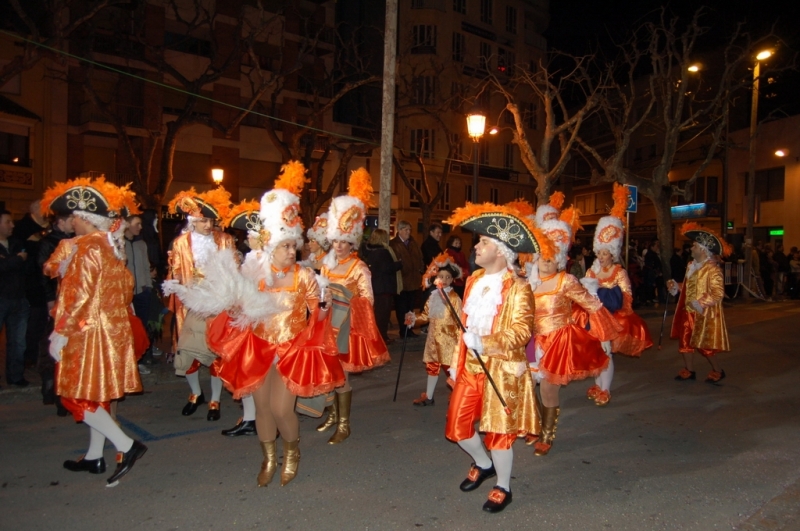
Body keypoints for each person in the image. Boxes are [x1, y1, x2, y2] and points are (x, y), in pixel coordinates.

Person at [207, 162, 345, 486]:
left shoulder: (304, 276)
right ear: (270, 246)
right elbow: (240, 308)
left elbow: (318, 313)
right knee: (263, 409)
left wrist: (324, 307)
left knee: (283, 409)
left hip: (292, 350)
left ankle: (292, 453)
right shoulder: (255, 275)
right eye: (284, 246)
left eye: (292, 245)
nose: (290, 251)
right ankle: (269, 458)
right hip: (258, 349)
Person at [441, 201, 551, 513]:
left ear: (501, 251)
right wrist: (456, 357)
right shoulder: (473, 279)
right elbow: (465, 321)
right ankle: (482, 463)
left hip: (501, 370)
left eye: (485, 242)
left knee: (499, 433)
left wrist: (484, 342)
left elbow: (520, 333)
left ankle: (503, 485)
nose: (477, 246)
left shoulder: (518, 287)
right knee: (456, 427)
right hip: (469, 367)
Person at [41, 177, 147, 486]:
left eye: (73, 216)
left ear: (85, 218)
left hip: (86, 331)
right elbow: (125, 290)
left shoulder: (86, 248)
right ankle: (94, 456)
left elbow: (78, 296)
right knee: (94, 395)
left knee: (73, 396)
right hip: (109, 331)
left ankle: (127, 446)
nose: (70, 222)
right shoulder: (110, 247)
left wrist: (61, 332)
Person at [525, 193, 620, 455]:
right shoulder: (528, 284)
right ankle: (534, 426)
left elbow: (591, 304)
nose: (546, 260)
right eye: (542, 255)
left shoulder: (566, 281)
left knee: (548, 389)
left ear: (559, 259)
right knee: (527, 385)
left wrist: (601, 331)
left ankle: (547, 434)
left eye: (552, 257)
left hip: (558, 342)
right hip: (532, 342)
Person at [317, 168, 391, 445]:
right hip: (325, 325)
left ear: (352, 242)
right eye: (335, 240)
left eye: (343, 241)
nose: (338, 245)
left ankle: (344, 424)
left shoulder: (359, 267)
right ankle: (334, 414)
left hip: (345, 328)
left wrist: (346, 296)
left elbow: (367, 299)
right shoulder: (326, 262)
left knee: (342, 375)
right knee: (329, 373)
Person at [164, 186, 236, 421]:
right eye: (203, 220)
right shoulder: (180, 244)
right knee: (188, 354)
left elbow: (235, 270)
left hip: (218, 305)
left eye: (211, 221)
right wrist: (173, 288)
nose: (208, 225)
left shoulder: (225, 240)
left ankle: (215, 400)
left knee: (216, 353)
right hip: (190, 305)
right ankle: (195, 393)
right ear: (192, 220)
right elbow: (174, 272)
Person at [582, 184, 653, 406]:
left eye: (606, 252)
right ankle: (597, 384)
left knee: (606, 352)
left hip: (610, 319)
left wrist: (601, 293)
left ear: (612, 253)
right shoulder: (591, 270)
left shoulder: (618, 272)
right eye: (600, 252)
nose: (602, 256)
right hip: (592, 319)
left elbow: (626, 296)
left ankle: (606, 388)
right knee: (595, 353)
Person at [669, 222, 731, 383]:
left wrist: (701, 303)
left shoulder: (713, 269)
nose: (691, 248)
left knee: (705, 346)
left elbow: (718, 292)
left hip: (702, 313)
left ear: (703, 250)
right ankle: (689, 370)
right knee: (684, 342)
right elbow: (689, 287)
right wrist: (677, 286)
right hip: (687, 311)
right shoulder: (691, 265)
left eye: (695, 246)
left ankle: (718, 370)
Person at [404, 253, 462, 406]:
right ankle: (429, 396)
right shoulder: (433, 296)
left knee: (451, 370)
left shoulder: (455, 298)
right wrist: (414, 320)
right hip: (432, 340)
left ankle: (458, 398)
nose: (444, 280)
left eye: (447, 277)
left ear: (452, 280)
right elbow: (425, 316)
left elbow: (460, 321)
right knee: (431, 367)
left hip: (449, 342)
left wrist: (460, 343)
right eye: (441, 276)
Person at [37, 211, 74, 410]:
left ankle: (62, 391)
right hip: (57, 300)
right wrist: (50, 299)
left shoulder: (74, 240)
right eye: (70, 220)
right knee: (52, 343)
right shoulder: (49, 243)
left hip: (70, 300)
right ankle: (50, 387)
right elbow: (44, 273)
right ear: (61, 222)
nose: (74, 223)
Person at [12, 200, 50, 371]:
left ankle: (41, 355)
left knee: (43, 322)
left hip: (45, 280)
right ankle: (29, 356)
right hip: (31, 282)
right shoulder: (23, 228)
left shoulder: (49, 227)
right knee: (32, 323)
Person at [0, 209, 30, 386]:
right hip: (2, 297)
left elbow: (25, 265)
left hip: (19, 299)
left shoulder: (17, 243)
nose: (12, 225)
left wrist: (9, 261)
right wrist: (16, 260)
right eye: (8, 222)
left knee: (18, 342)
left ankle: (15, 376)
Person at [360, 228, 402, 344]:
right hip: (384, 287)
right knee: (383, 314)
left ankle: (379, 336)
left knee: (378, 313)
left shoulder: (369, 250)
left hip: (376, 286)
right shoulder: (382, 252)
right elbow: (387, 268)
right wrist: (398, 264)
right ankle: (382, 337)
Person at [124, 215, 154, 374]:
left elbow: (146, 266)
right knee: (128, 329)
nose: (140, 227)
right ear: (127, 224)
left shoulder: (141, 243)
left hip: (142, 292)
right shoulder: (119, 243)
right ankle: (128, 361)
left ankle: (139, 359)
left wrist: (147, 286)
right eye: (137, 224)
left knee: (141, 328)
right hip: (126, 295)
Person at [390, 220, 424, 338]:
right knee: (402, 309)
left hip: (413, 281)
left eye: (409, 230)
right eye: (406, 230)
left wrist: (420, 269)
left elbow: (420, 257)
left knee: (410, 308)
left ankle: (409, 329)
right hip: (402, 283)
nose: (408, 232)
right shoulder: (394, 244)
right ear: (399, 230)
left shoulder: (413, 242)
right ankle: (403, 330)